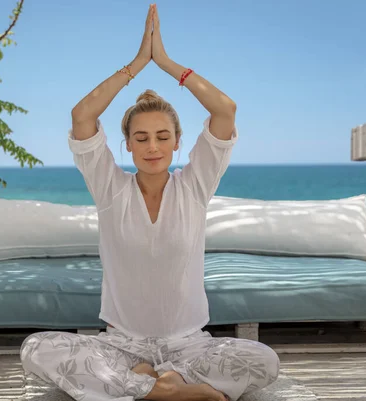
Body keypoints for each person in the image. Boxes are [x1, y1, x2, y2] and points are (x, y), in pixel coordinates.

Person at [20, 4, 279, 401]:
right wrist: (138, 63)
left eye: (162, 136)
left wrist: (168, 63)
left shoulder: (194, 185)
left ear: (178, 142)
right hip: (123, 347)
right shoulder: (110, 189)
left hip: (189, 346)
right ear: (127, 145)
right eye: (141, 138)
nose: (152, 147)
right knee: (36, 348)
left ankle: (149, 384)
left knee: (264, 360)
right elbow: (82, 115)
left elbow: (224, 109)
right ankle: (168, 390)